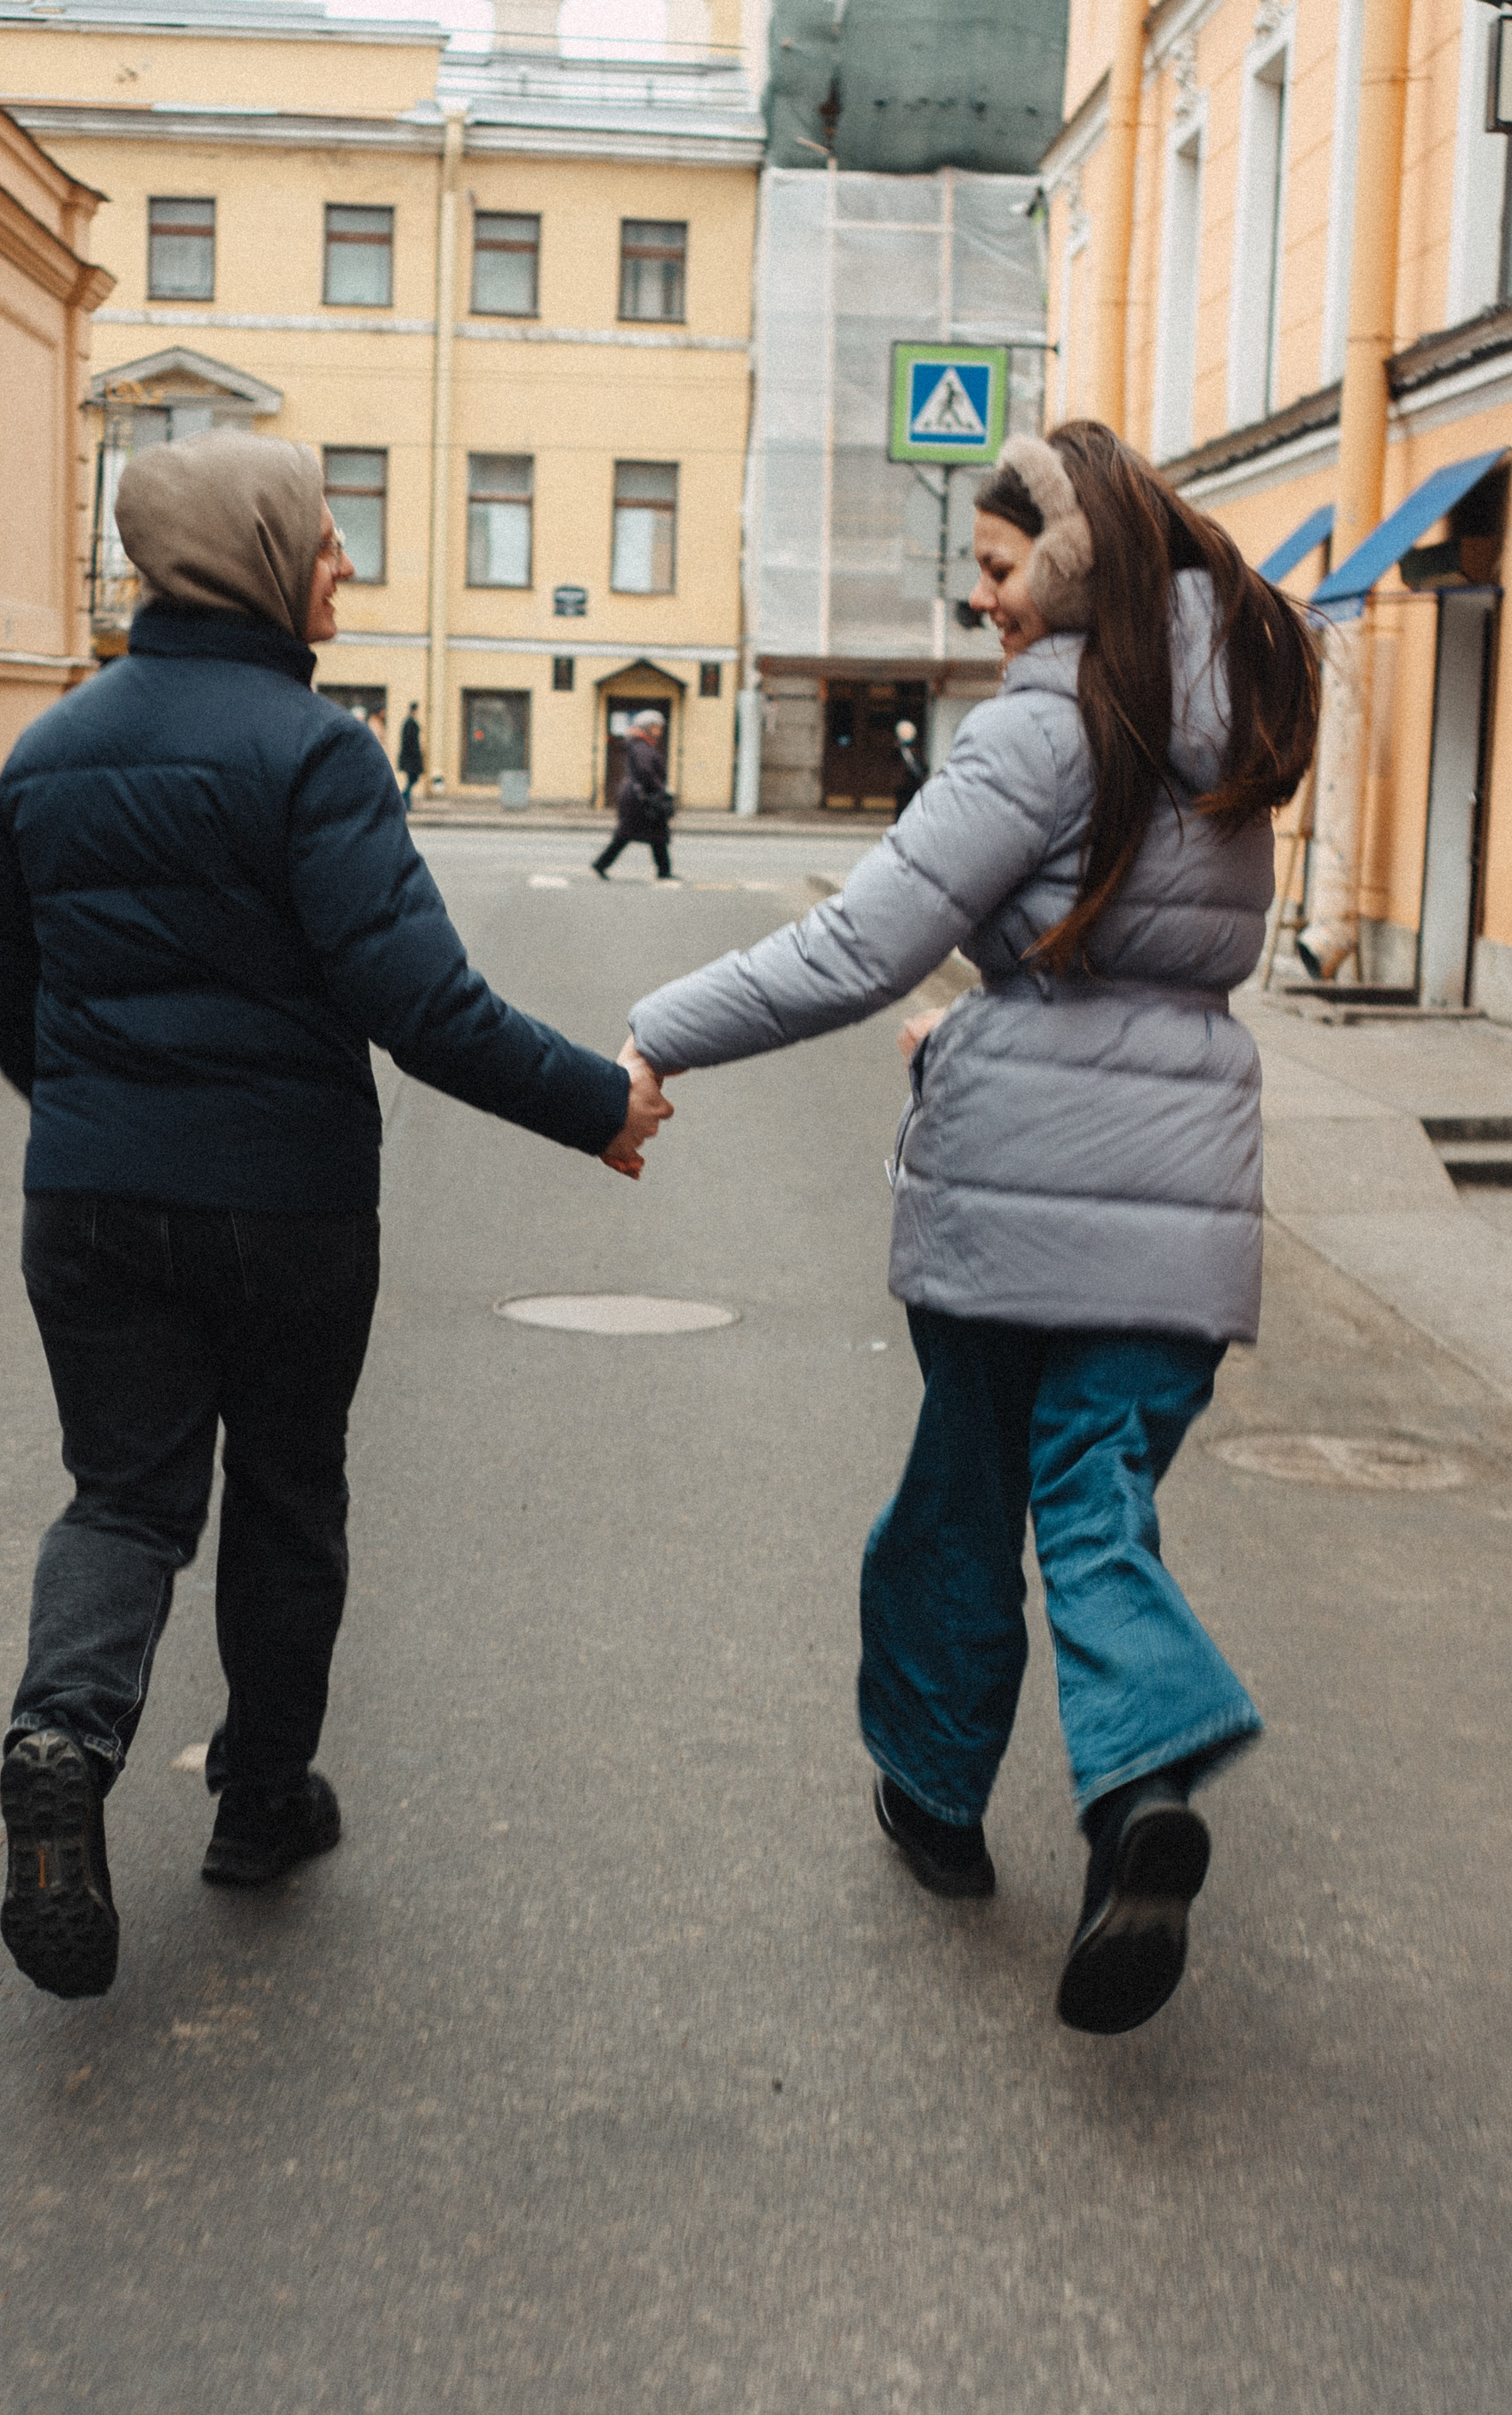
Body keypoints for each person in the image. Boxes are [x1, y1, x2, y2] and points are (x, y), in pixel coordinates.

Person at [0, 430, 670, 2002]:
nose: (344, 564)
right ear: (260, 556)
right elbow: (418, 1000)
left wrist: (91, 1110)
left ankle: (62, 1737)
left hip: (86, 1196)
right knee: (284, 1491)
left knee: (123, 1498)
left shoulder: (49, 749)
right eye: (327, 540)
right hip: (280, 1206)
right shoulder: (313, 752)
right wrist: (595, 1103)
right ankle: (261, 1803)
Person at [621, 421, 1318, 2036]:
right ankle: (1140, 1786)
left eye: (998, 568)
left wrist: (654, 1030)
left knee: (956, 1501)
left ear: (1065, 564)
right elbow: (1137, 956)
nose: (979, 598)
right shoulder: (1227, 706)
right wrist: (986, 1026)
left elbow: (861, 944)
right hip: (1185, 1185)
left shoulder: (1047, 724)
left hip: (1015, 1202)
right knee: (1093, 1506)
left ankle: (934, 1801)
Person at [592, 709, 674, 881]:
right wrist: (661, 789)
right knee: (631, 834)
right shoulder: (641, 745)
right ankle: (601, 864)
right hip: (639, 799)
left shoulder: (641, 744)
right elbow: (646, 771)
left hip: (636, 797)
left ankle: (664, 871)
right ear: (648, 728)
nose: (660, 731)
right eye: (657, 727)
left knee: (653, 834)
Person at [892, 718, 927, 823]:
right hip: (902, 784)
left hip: (914, 783)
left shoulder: (917, 751)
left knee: (913, 807)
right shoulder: (898, 751)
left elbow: (924, 767)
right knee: (900, 807)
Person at [398, 701, 424, 806]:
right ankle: (405, 801)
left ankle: (403, 798)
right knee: (412, 779)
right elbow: (409, 742)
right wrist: (415, 755)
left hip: (411, 757)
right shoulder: (409, 723)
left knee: (413, 779)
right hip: (411, 758)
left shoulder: (411, 722)